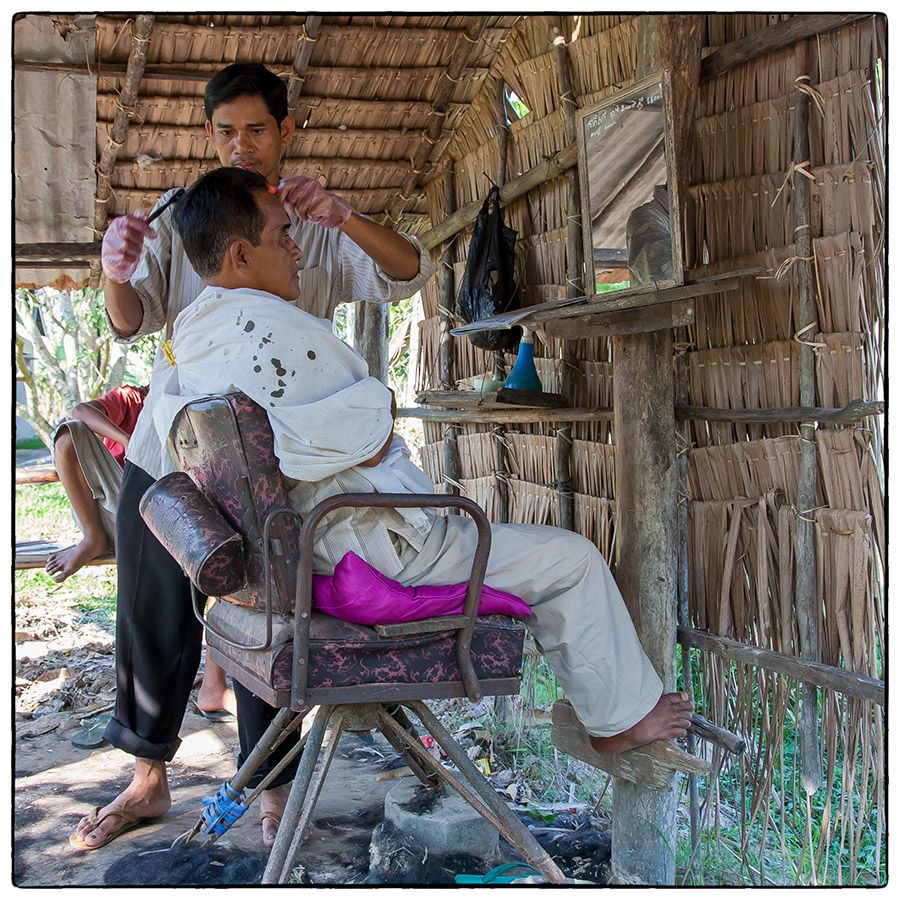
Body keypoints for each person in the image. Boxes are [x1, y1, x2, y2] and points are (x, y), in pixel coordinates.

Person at [157, 168, 693, 782]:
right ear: (241, 254)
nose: (296, 248)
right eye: (283, 236)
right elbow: (373, 428)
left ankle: (597, 699)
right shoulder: (276, 334)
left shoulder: (193, 335)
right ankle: (620, 721)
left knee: (526, 549)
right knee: (571, 560)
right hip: (368, 549)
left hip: (303, 551)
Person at [69, 63, 434, 852]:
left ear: (285, 132)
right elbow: (129, 324)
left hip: (277, 457)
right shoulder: (184, 218)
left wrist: (345, 215)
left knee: (269, 607)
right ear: (211, 135)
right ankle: (147, 777)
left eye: (256, 130)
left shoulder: (308, 222)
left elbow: (407, 273)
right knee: (152, 600)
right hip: (177, 444)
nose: (240, 144)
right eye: (226, 130)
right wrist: (114, 270)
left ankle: (270, 786)